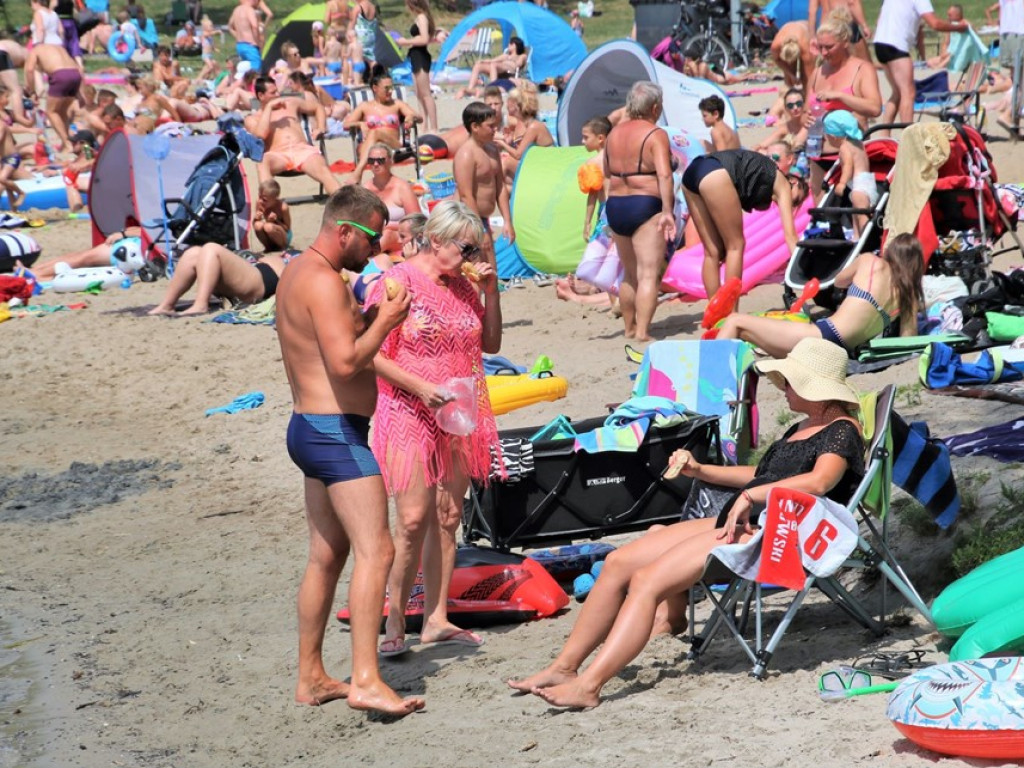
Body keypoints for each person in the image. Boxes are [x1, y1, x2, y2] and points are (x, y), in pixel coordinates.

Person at [507, 337, 865, 709]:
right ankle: (565, 667)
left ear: (817, 389)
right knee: (618, 563)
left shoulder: (842, 430)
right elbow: (760, 475)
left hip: (778, 534)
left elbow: (819, 482)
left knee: (646, 581)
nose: (784, 387)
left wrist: (751, 497)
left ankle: (590, 686)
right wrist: (700, 470)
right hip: (745, 519)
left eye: (790, 381)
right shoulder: (803, 427)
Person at [275, 185, 424, 716]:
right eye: (370, 237)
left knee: (327, 554)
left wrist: (368, 318)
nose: (376, 248)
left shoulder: (297, 271)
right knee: (378, 550)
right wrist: (384, 322)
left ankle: (311, 676)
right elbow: (344, 365)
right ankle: (365, 677)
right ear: (343, 231)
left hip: (308, 429)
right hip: (334, 433)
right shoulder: (323, 282)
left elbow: (330, 345)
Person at [367, 200, 501, 657]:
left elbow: (491, 343)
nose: (471, 258)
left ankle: (437, 618)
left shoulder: (464, 286)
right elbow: (372, 353)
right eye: (466, 248)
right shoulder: (397, 281)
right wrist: (421, 388)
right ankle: (394, 620)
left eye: (476, 249)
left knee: (448, 517)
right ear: (438, 239)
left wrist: (492, 290)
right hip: (407, 405)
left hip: (458, 409)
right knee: (411, 519)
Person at [718, 233, 924, 357]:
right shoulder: (908, 298)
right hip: (843, 350)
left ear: (890, 252)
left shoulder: (871, 262)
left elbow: (839, 280)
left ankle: (705, 381)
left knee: (736, 322)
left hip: (824, 335)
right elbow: (908, 339)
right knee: (746, 333)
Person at [602, 82, 675, 341]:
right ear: (655, 107)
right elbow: (665, 174)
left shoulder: (613, 135)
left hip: (617, 205)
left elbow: (607, 172)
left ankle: (629, 328)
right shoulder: (655, 134)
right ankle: (643, 332)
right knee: (648, 273)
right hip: (645, 204)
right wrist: (668, 211)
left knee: (629, 273)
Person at [682, 148, 797, 302]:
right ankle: (730, 313)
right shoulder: (784, 185)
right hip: (716, 173)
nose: (794, 203)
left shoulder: (764, 175)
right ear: (794, 182)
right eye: (798, 198)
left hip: (693, 172)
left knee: (712, 251)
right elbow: (790, 236)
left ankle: (714, 313)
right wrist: (802, 269)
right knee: (736, 245)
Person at [873, 0, 968, 128]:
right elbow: (935, 24)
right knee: (908, 93)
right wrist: (960, 28)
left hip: (879, 43)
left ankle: (884, 134)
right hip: (896, 45)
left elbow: (878, 20)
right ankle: (908, 135)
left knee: (897, 93)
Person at [245, 77, 340, 194]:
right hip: (278, 155)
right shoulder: (252, 118)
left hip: (303, 151)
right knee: (262, 162)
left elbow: (317, 107)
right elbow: (261, 134)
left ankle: (344, 206)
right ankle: (269, 205)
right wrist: (269, 107)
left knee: (325, 173)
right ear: (261, 96)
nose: (278, 94)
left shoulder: (290, 103)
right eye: (273, 93)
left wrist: (320, 127)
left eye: (277, 90)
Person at [453, 101, 515, 274]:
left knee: (491, 276)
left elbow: (500, 187)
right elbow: (466, 196)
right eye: (490, 126)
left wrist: (507, 221)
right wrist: (479, 230)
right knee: (476, 277)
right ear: (475, 127)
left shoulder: (492, 149)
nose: (495, 130)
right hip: (467, 222)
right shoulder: (466, 154)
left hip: (483, 220)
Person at [148, 243, 289, 316]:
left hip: (264, 280)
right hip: (249, 277)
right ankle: (167, 305)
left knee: (211, 249)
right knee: (193, 253)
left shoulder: (284, 260)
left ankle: (201, 304)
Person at [343, 65, 422, 180]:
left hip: (393, 147)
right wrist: (359, 124)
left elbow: (420, 118)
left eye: (391, 88)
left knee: (376, 132)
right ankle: (359, 174)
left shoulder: (397, 104)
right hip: (369, 148)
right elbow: (346, 124)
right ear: (375, 88)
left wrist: (410, 116)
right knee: (374, 135)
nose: (390, 91)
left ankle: (358, 173)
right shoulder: (365, 106)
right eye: (386, 88)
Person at [361, 143, 420, 254]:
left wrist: (389, 226)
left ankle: (365, 257)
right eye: (371, 161)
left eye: (381, 160)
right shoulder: (365, 190)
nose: (376, 164)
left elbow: (417, 222)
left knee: (388, 234)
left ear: (390, 161)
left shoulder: (402, 188)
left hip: (400, 236)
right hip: (374, 236)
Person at [823, 110, 875, 234]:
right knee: (855, 213)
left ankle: (867, 238)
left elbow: (848, 166)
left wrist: (842, 183)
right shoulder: (858, 143)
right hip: (867, 182)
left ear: (834, 136)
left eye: (826, 135)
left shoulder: (844, 147)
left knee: (862, 215)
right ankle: (856, 238)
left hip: (859, 186)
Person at [24, 43, 81, 153]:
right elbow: (76, 65)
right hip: (75, 74)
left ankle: (67, 143)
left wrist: (31, 92)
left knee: (51, 112)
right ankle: (72, 141)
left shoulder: (36, 50)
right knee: (63, 112)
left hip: (60, 75)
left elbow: (29, 70)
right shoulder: (59, 47)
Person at [493, 84, 553, 184]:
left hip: (545, 170)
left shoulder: (534, 126)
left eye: (509, 100)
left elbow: (518, 155)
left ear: (517, 105)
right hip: (534, 165)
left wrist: (502, 143)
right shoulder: (520, 124)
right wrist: (507, 142)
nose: (506, 103)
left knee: (505, 162)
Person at [395, 0, 438, 132]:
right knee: (419, 94)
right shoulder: (422, 17)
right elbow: (428, 38)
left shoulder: (422, 17)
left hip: (420, 56)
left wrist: (405, 41)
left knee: (425, 94)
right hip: (416, 56)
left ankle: (434, 127)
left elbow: (424, 39)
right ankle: (424, 125)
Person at [455, 37, 528, 99]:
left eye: (510, 44)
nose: (508, 45)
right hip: (499, 69)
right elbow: (492, 60)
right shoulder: (506, 55)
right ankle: (470, 89)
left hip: (511, 71)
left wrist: (510, 59)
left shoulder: (522, 56)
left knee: (494, 65)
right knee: (478, 66)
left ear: (515, 45)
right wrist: (482, 61)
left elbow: (519, 64)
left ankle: (493, 87)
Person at [808, 0, 873, 62]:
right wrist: (864, 26)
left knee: (830, 67)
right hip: (842, 25)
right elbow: (852, 2)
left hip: (825, 27)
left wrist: (812, 37)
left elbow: (812, 12)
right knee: (864, 64)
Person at [755, 88, 809, 152]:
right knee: (761, 151)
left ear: (804, 104)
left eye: (799, 104)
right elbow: (762, 145)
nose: (795, 108)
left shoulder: (811, 121)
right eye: (790, 105)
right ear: (786, 109)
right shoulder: (787, 127)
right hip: (794, 156)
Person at [254, 179, 292, 251]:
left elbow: (288, 229)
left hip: (284, 235)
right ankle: (268, 248)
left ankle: (282, 248)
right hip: (269, 235)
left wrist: (276, 220)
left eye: (264, 200)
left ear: (275, 199)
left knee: (268, 227)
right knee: (257, 225)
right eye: (259, 197)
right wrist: (256, 218)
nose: (261, 201)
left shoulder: (283, 207)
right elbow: (255, 225)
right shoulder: (259, 203)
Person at [987, 0, 1024, 74]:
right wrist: (993, 21)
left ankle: (1019, 83)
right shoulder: (1002, 1)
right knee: (1009, 63)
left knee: (1018, 62)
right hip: (1004, 33)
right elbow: (989, 10)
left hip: (1018, 32)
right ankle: (1014, 82)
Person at [229, 0, 263, 72]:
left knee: (245, 71)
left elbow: (230, 26)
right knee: (255, 70)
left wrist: (237, 36)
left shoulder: (236, 10)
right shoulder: (249, 10)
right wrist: (257, 42)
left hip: (240, 45)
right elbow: (254, 26)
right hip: (250, 45)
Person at [351, 0, 379, 67]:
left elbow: (351, 24)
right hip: (371, 36)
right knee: (370, 58)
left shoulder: (358, 7)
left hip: (361, 37)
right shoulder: (373, 6)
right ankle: (374, 71)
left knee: (358, 58)